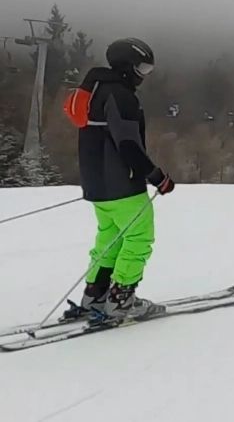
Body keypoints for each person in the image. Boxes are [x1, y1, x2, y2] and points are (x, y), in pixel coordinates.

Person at [62, 38, 175, 322]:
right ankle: (122, 299)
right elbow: (127, 144)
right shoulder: (120, 96)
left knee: (109, 240)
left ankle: (95, 296)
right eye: (143, 67)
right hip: (122, 184)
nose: (143, 75)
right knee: (139, 237)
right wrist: (156, 176)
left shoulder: (96, 91)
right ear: (128, 66)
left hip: (96, 184)